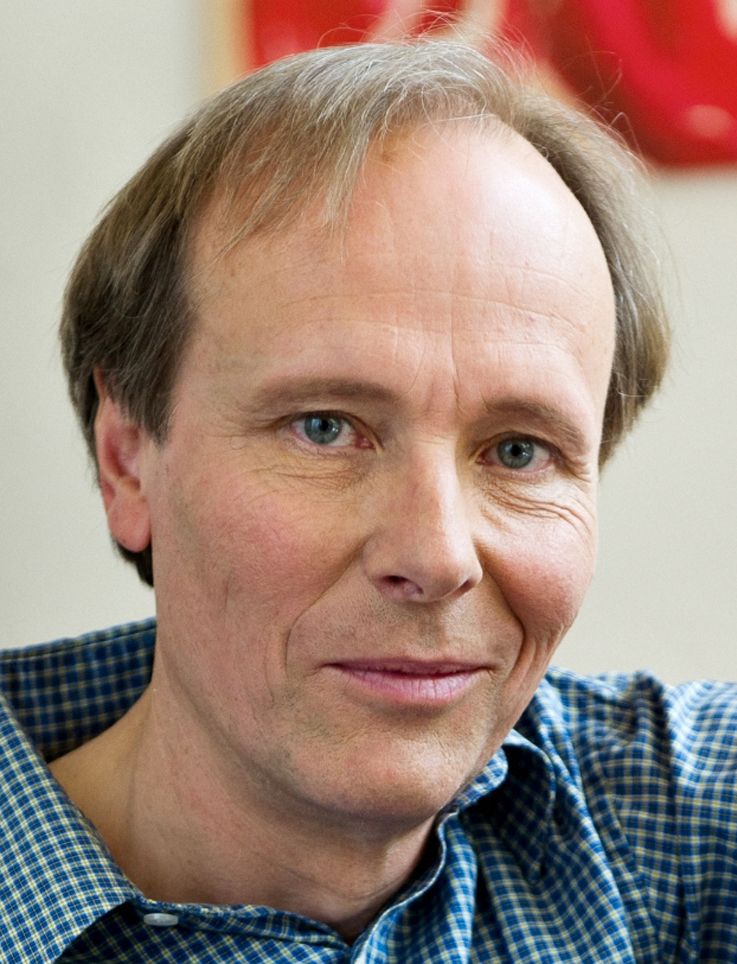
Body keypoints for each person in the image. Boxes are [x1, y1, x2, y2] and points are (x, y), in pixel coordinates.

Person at [1, 39, 735, 962]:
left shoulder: (681, 830)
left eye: (517, 451)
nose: (436, 556)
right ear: (126, 462)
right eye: (324, 429)